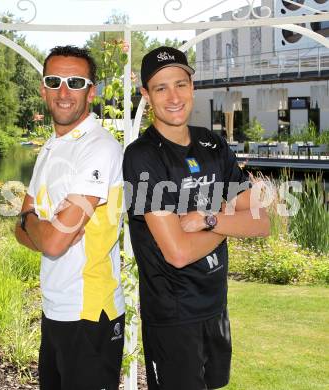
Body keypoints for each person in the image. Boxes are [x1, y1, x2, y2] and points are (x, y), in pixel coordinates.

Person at [123, 46, 270, 390]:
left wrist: (209, 219)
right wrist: (231, 217)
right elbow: (178, 252)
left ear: (192, 86)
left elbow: (261, 222)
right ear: (146, 95)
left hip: (215, 306)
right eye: (160, 88)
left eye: (180, 84)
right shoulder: (141, 157)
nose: (173, 97)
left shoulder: (212, 144)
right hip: (173, 316)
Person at [15, 45, 125, 390]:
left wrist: (35, 223)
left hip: (90, 313)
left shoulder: (99, 147)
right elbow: (25, 229)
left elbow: (52, 239)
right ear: (43, 89)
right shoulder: (51, 147)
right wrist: (37, 226)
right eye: (55, 81)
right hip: (55, 309)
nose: (64, 92)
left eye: (75, 82)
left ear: (91, 91)